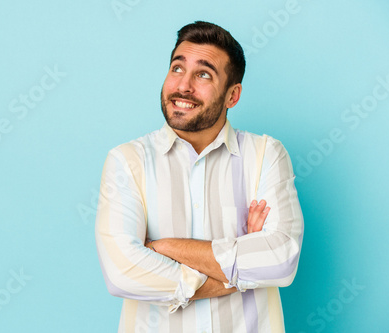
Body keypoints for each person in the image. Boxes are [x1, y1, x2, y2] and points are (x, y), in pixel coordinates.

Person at [95, 21, 303, 333]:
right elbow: (122, 272)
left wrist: (163, 247)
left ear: (232, 96)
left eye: (204, 74)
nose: (184, 85)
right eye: (177, 68)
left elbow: (280, 261)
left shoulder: (265, 155)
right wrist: (240, 264)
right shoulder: (127, 161)